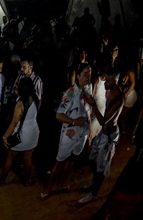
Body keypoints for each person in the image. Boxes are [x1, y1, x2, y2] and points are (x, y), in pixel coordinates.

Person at [41, 62, 92, 200]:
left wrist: (88, 129)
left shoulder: (88, 90)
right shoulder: (70, 94)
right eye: (85, 74)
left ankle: (63, 183)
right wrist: (75, 122)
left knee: (72, 160)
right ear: (78, 76)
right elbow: (59, 115)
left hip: (82, 134)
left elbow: (88, 112)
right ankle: (48, 189)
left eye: (89, 74)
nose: (88, 77)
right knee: (59, 162)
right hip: (70, 134)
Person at [79, 65, 124, 204]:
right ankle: (95, 183)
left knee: (100, 168)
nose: (105, 83)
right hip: (103, 133)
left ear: (115, 81)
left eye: (108, 81)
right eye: (105, 80)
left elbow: (104, 120)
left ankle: (93, 194)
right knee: (91, 158)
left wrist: (93, 105)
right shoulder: (110, 90)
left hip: (109, 136)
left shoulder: (118, 97)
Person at [0, 76, 40, 186]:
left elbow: (14, 123)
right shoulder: (35, 98)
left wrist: (5, 136)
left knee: (10, 157)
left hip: (22, 135)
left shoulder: (20, 104)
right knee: (28, 158)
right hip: (33, 133)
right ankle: (27, 180)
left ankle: (2, 180)